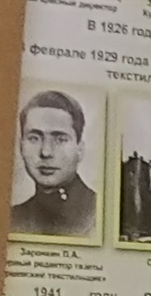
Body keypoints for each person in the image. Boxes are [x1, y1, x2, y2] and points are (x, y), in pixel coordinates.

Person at [12, 89, 98, 238]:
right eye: (34, 138)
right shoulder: (13, 219)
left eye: (60, 139)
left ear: (80, 149)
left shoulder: (98, 213)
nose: (46, 152)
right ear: (21, 146)